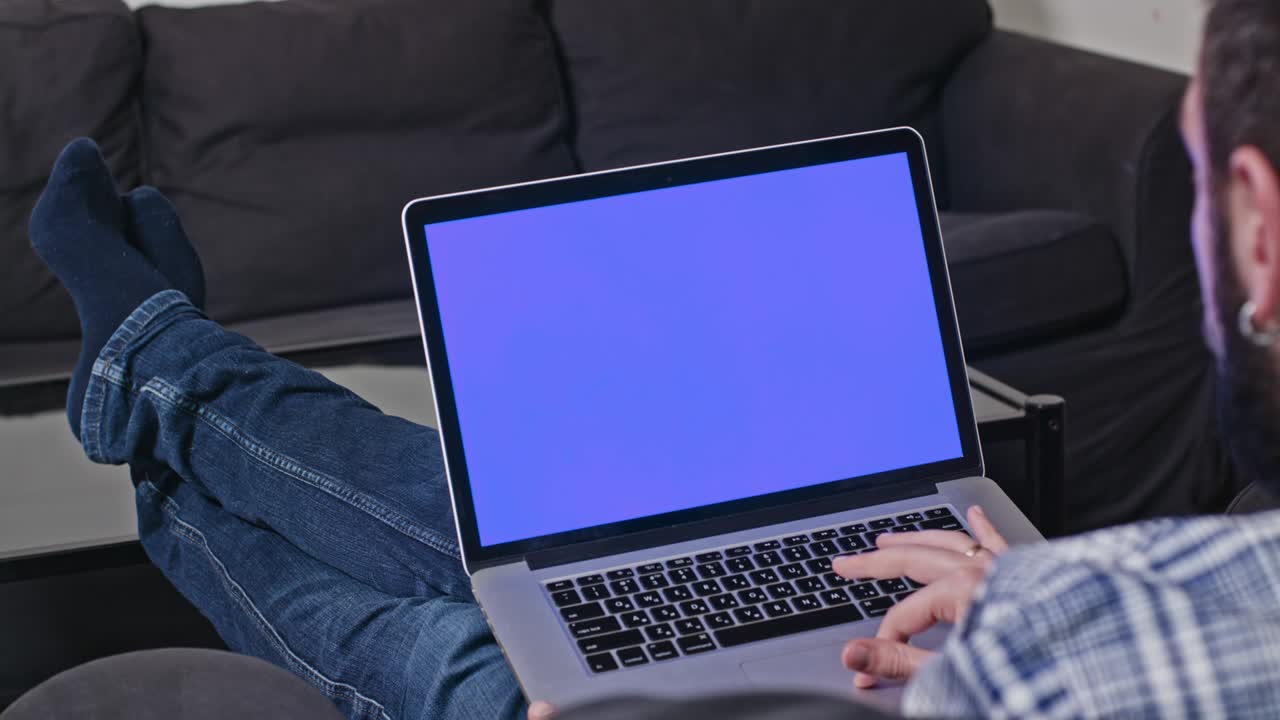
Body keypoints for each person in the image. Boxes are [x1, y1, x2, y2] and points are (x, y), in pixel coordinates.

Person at [24, 0, 1280, 716]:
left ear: (1254, 223)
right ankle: (155, 370)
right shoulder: (1195, 593)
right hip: (956, 604)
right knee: (486, 526)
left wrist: (1045, 623)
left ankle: (155, 377)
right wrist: (1055, 594)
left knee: (448, 644)